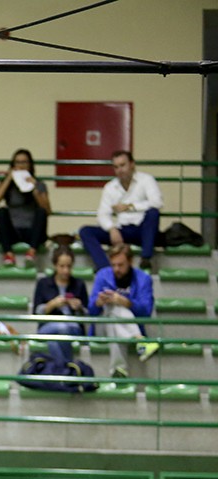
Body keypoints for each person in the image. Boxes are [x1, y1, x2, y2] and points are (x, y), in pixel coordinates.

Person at [79, 150, 163, 273]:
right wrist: (111, 229)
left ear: (132, 164)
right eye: (116, 167)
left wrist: (131, 206)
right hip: (121, 231)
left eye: (123, 165)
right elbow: (102, 214)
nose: (120, 170)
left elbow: (157, 202)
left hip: (143, 230)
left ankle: (146, 259)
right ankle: (105, 267)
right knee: (85, 231)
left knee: (153, 213)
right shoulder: (110, 187)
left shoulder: (146, 180)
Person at [87, 243, 158, 378]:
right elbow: (91, 311)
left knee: (115, 310)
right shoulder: (102, 275)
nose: (116, 269)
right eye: (113, 265)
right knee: (111, 305)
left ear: (130, 262)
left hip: (122, 325)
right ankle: (139, 340)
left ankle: (119, 369)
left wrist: (126, 302)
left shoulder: (143, 279)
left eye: (120, 265)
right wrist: (98, 303)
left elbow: (146, 312)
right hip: (101, 326)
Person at [0, 148, 50, 266]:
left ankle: (31, 252)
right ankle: (8, 254)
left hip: (32, 232)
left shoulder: (39, 183)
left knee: (41, 212)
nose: (21, 165)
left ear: (30, 165)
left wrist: (34, 188)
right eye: (17, 162)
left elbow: (47, 210)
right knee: (1, 211)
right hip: (14, 231)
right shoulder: (8, 184)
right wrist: (8, 178)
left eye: (24, 162)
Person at [31, 246, 89, 364]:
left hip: (73, 326)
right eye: (62, 266)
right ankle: (67, 366)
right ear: (55, 265)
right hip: (48, 325)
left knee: (53, 341)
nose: (66, 271)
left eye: (69, 266)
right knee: (61, 328)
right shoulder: (43, 283)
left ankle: (61, 369)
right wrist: (51, 305)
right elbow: (36, 312)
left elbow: (87, 314)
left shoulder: (79, 284)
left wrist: (78, 308)